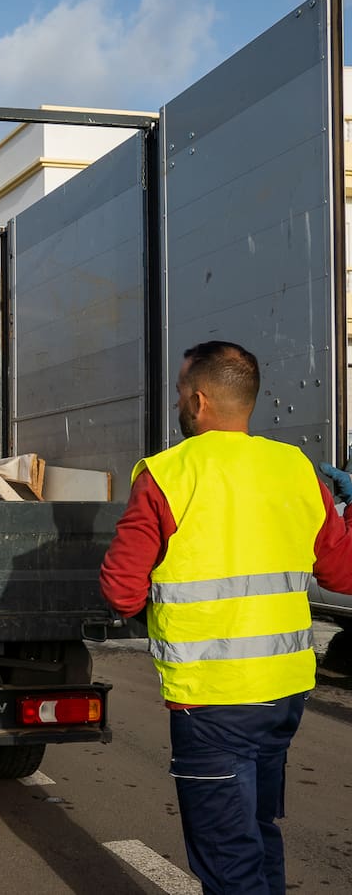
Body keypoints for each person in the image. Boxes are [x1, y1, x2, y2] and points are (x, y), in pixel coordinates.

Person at [100, 340, 352, 895]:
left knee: (226, 854)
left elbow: (121, 589)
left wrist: (154, 616)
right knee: (257, 831)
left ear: (198, 399)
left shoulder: (167, 474)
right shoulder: (297, 469)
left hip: (212, 700)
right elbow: (343, 574)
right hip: (284, 693)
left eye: (179, 395)